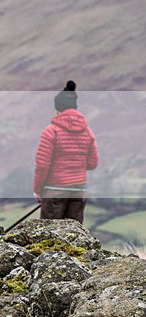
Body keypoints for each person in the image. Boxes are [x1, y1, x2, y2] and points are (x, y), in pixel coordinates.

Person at [33, 80, 100, 224]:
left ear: (58, 108)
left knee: (49, 233)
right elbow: (93, 163)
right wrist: (75, 165)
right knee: (74, 236)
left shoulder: (51, 131)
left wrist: (38, 190)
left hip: (54, 188)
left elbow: (42, 164)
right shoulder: (87, 132)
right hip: (79, 189)